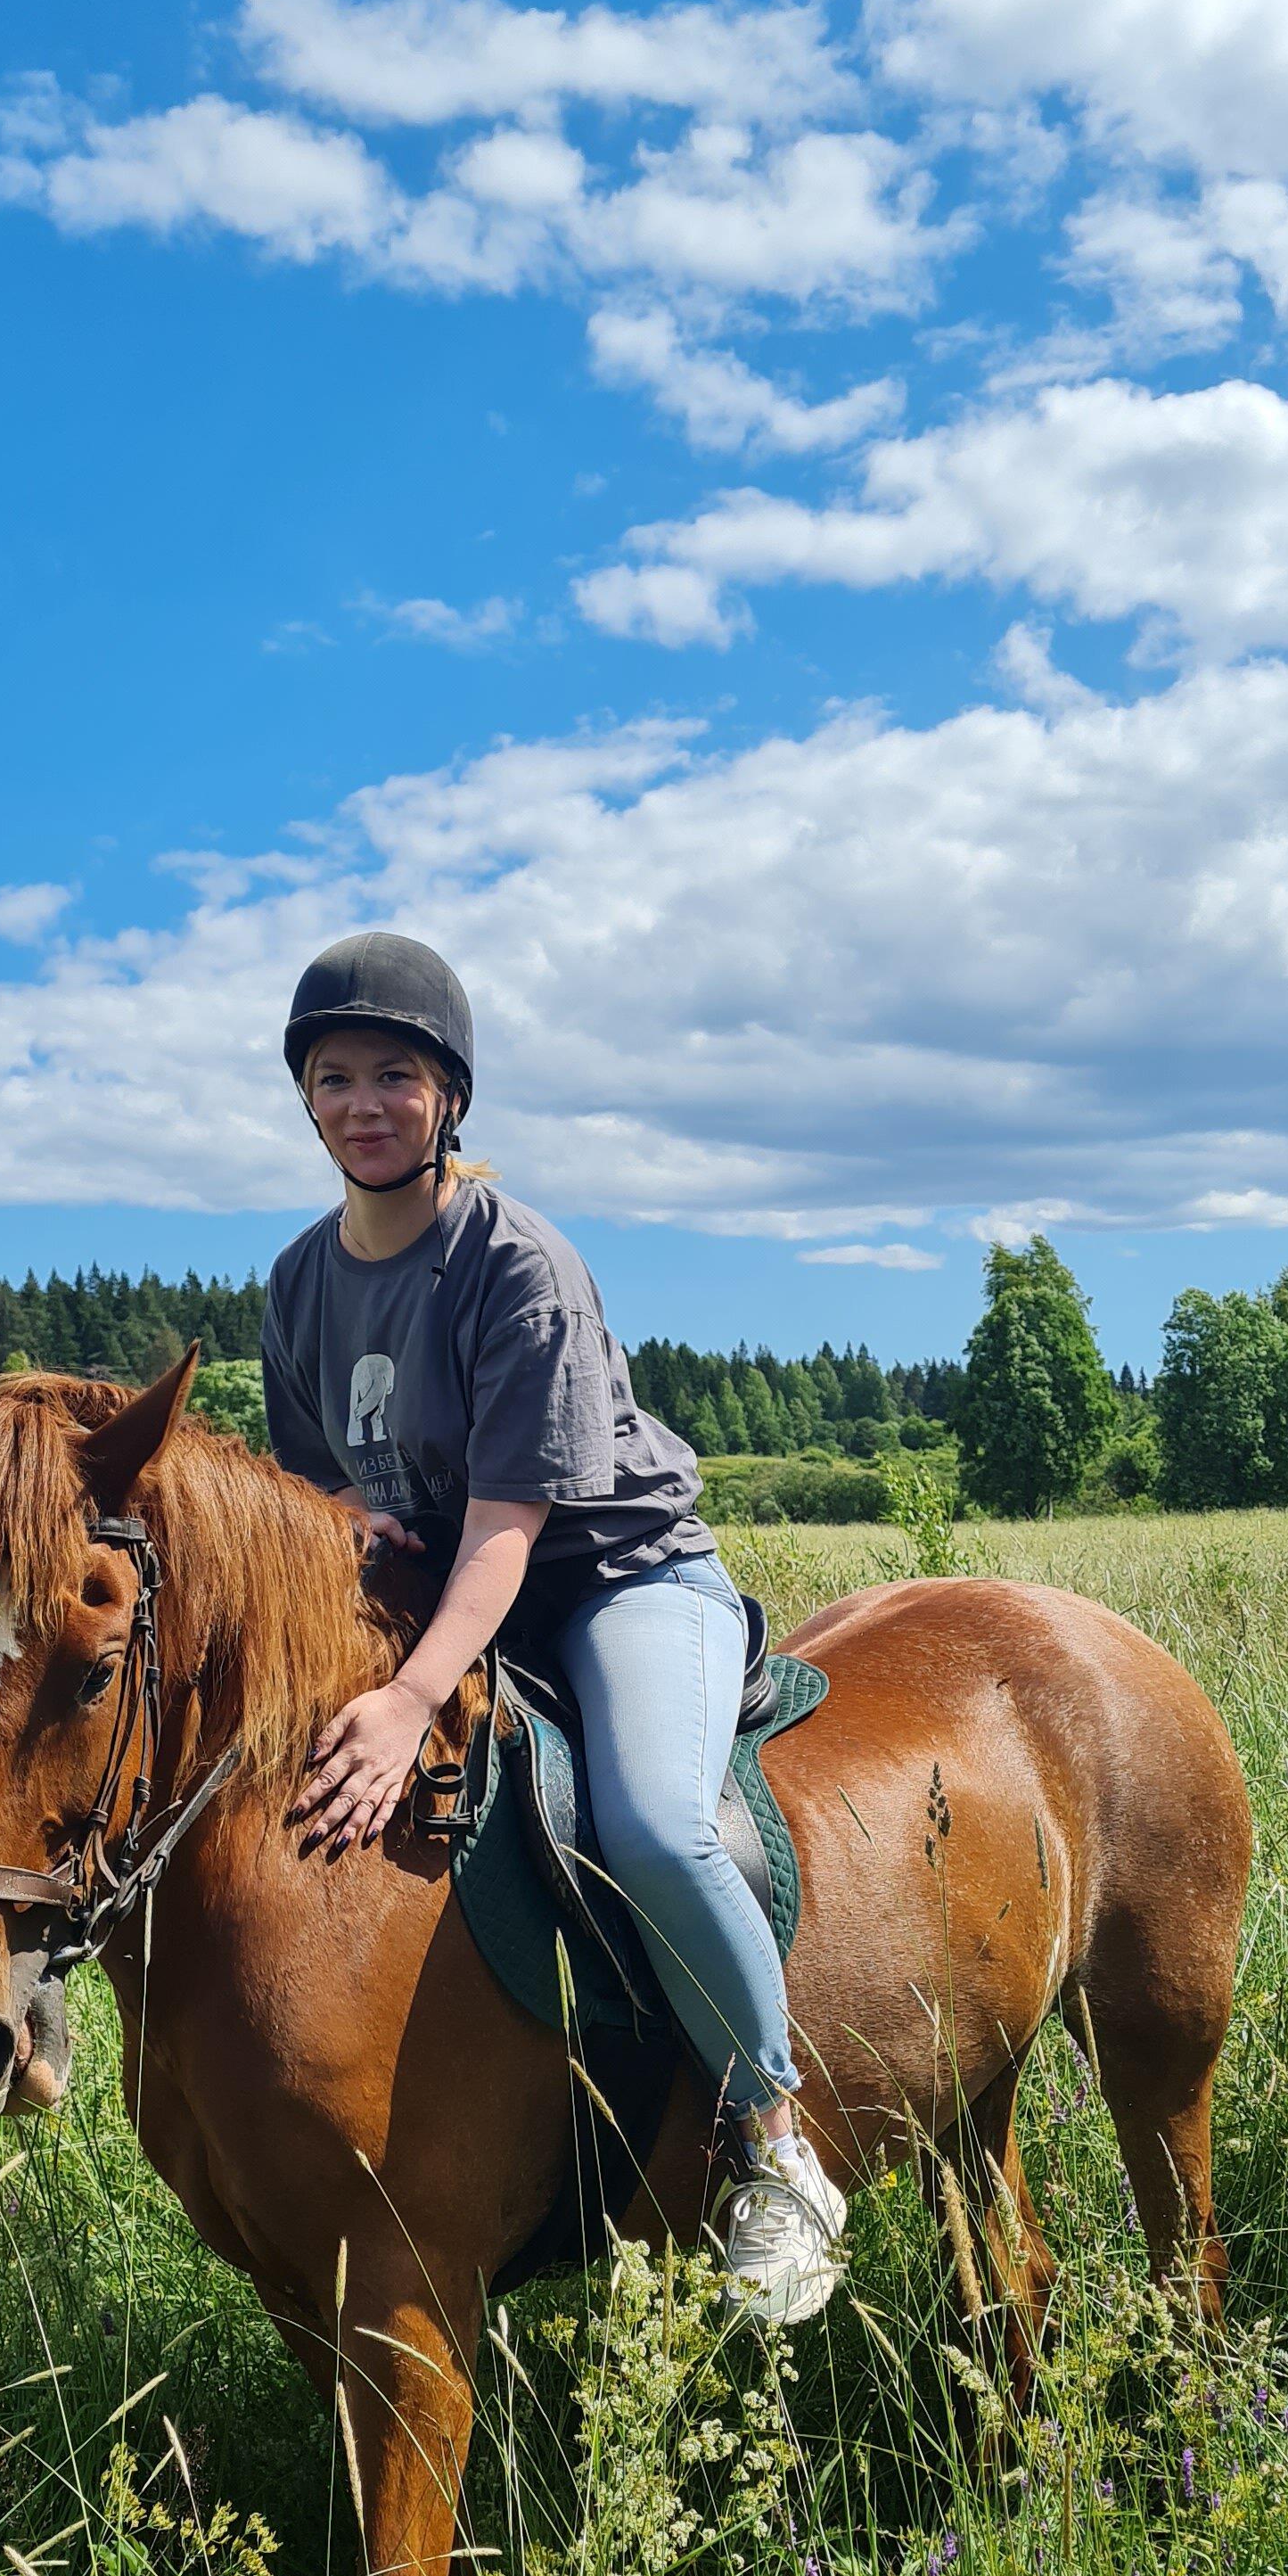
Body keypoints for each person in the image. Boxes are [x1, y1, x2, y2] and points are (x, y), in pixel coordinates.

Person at [259, 927, 847, 2327]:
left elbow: (513, 1525)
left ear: (449, 1094)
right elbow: (322, 1484)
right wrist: (347, 1528)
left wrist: (408, 1702)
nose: (361, 1105)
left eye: (393, 1075)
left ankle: (775, 2143)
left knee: (651, 1821)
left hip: (613, 1578)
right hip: (436, 1588)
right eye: (332, 1078)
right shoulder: (295, 1281)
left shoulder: (515, 1259)